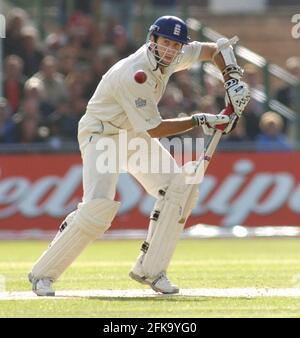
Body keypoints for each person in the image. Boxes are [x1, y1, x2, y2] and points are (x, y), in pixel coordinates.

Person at [28, 16, 250, 296]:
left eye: (176, 45)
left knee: (179, 188)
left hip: (132, 133)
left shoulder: (174, 56)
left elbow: (213, 50)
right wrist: (201, 120)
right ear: (152, 40)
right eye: (165, 43)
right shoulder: (136, 73)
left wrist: (231, 79)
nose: (170, 50)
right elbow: (156, 129)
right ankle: (42, 275)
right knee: (98, 209)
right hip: (103, 134)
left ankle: (152, 270)